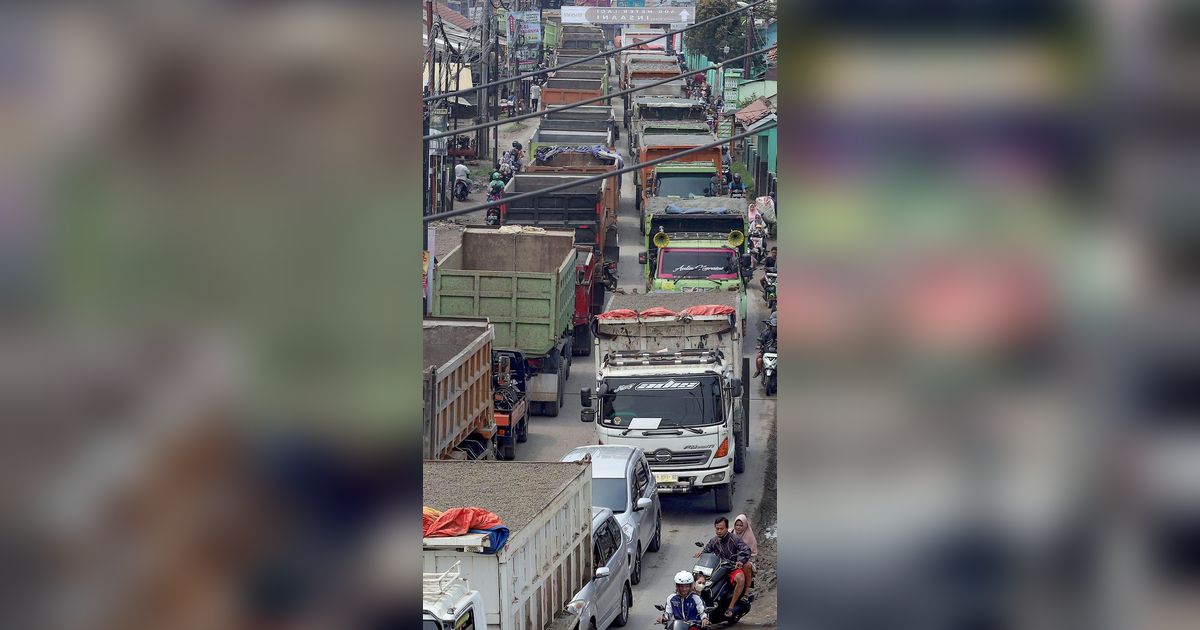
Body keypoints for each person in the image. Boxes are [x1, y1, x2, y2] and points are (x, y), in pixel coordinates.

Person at [694, 517, 751, 618]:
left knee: (740, 578)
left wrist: (740, 561)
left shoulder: (735, 539)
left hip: (731, 567)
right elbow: (707, 550)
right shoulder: (714, 541)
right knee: (701, 580)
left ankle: (731, 607)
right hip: (717, 568)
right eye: (717, 529)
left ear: (727, 528)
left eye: (721, 528)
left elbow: (746, 550)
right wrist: (701, 553)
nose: (719, 531)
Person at [732, 514, 758, 590]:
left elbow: (751, 554)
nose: (738, 527)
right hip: (731, 559)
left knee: (747, 566)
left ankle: (746, 592)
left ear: (745, 526)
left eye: (741, 525)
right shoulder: (730, 533)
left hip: (746, 560)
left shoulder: (750, 537)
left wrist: (742, 561)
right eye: (736, 525)